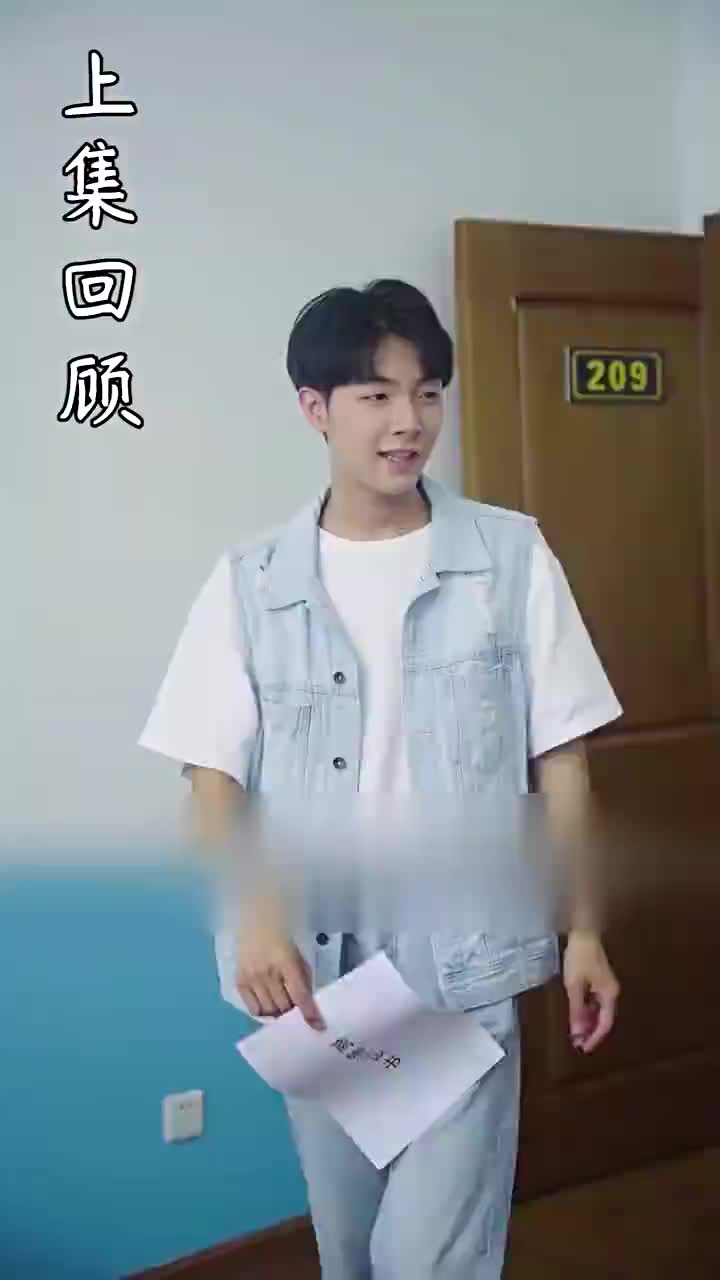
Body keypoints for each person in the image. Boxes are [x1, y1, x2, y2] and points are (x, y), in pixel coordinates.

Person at [139, 278, 622, 1278]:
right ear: (315, 408)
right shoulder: (251, 581)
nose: (410, 421)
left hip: (462, 952)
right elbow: (211, 778)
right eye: (377, 395)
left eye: (429, 392)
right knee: (352, 1245)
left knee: (432, 1255)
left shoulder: (509, 557)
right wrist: (258, 918)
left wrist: (584, 926)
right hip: (316, 962)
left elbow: (563, 759)